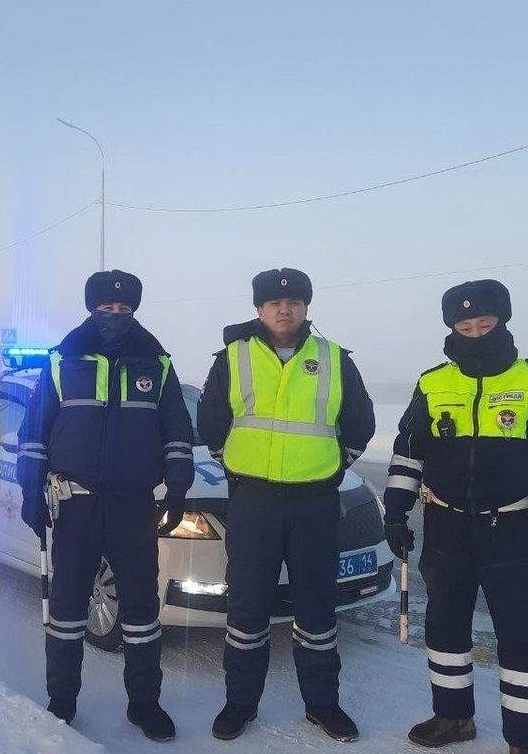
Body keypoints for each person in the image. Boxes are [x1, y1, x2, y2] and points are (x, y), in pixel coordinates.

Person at [383, 279, 528, 754]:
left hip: (510, 528)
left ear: (502, 322)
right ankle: (453, 719)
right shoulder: (432, 382)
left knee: (520, 635)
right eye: (464, 324)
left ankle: (525, 740)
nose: (474, 332)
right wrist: (395, 510)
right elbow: (408, 451)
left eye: (484, 323)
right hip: (446, 525)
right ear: (452, 326)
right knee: (445, 626)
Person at [197, 267, 376, 743]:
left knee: (316, 608)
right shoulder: (233, 357)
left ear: (305, 308)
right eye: (275, 303)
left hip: (315, 502)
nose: (284, 309)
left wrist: (335, 466)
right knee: (248, 607)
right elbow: (212, 423)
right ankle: (239, 704)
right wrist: (236, 467)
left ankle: (322, 705)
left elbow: (359, 423)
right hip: (254, 502)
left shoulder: (334, 358)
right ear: (259, 309)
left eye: (294, 302)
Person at [17, 269, 195, 743]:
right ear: (91, 308)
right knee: (68, 607)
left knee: (140, 610)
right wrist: (29, 490)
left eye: (124, 310)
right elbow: (34, 432)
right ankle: (62, 700)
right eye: (105, 309)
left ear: (135, 310)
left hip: (133, 507)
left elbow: (177, 432)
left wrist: (177, 490)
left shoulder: (156, 364)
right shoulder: (62, 360)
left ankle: (144, 704)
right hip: (73, 504)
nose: (115, 316)